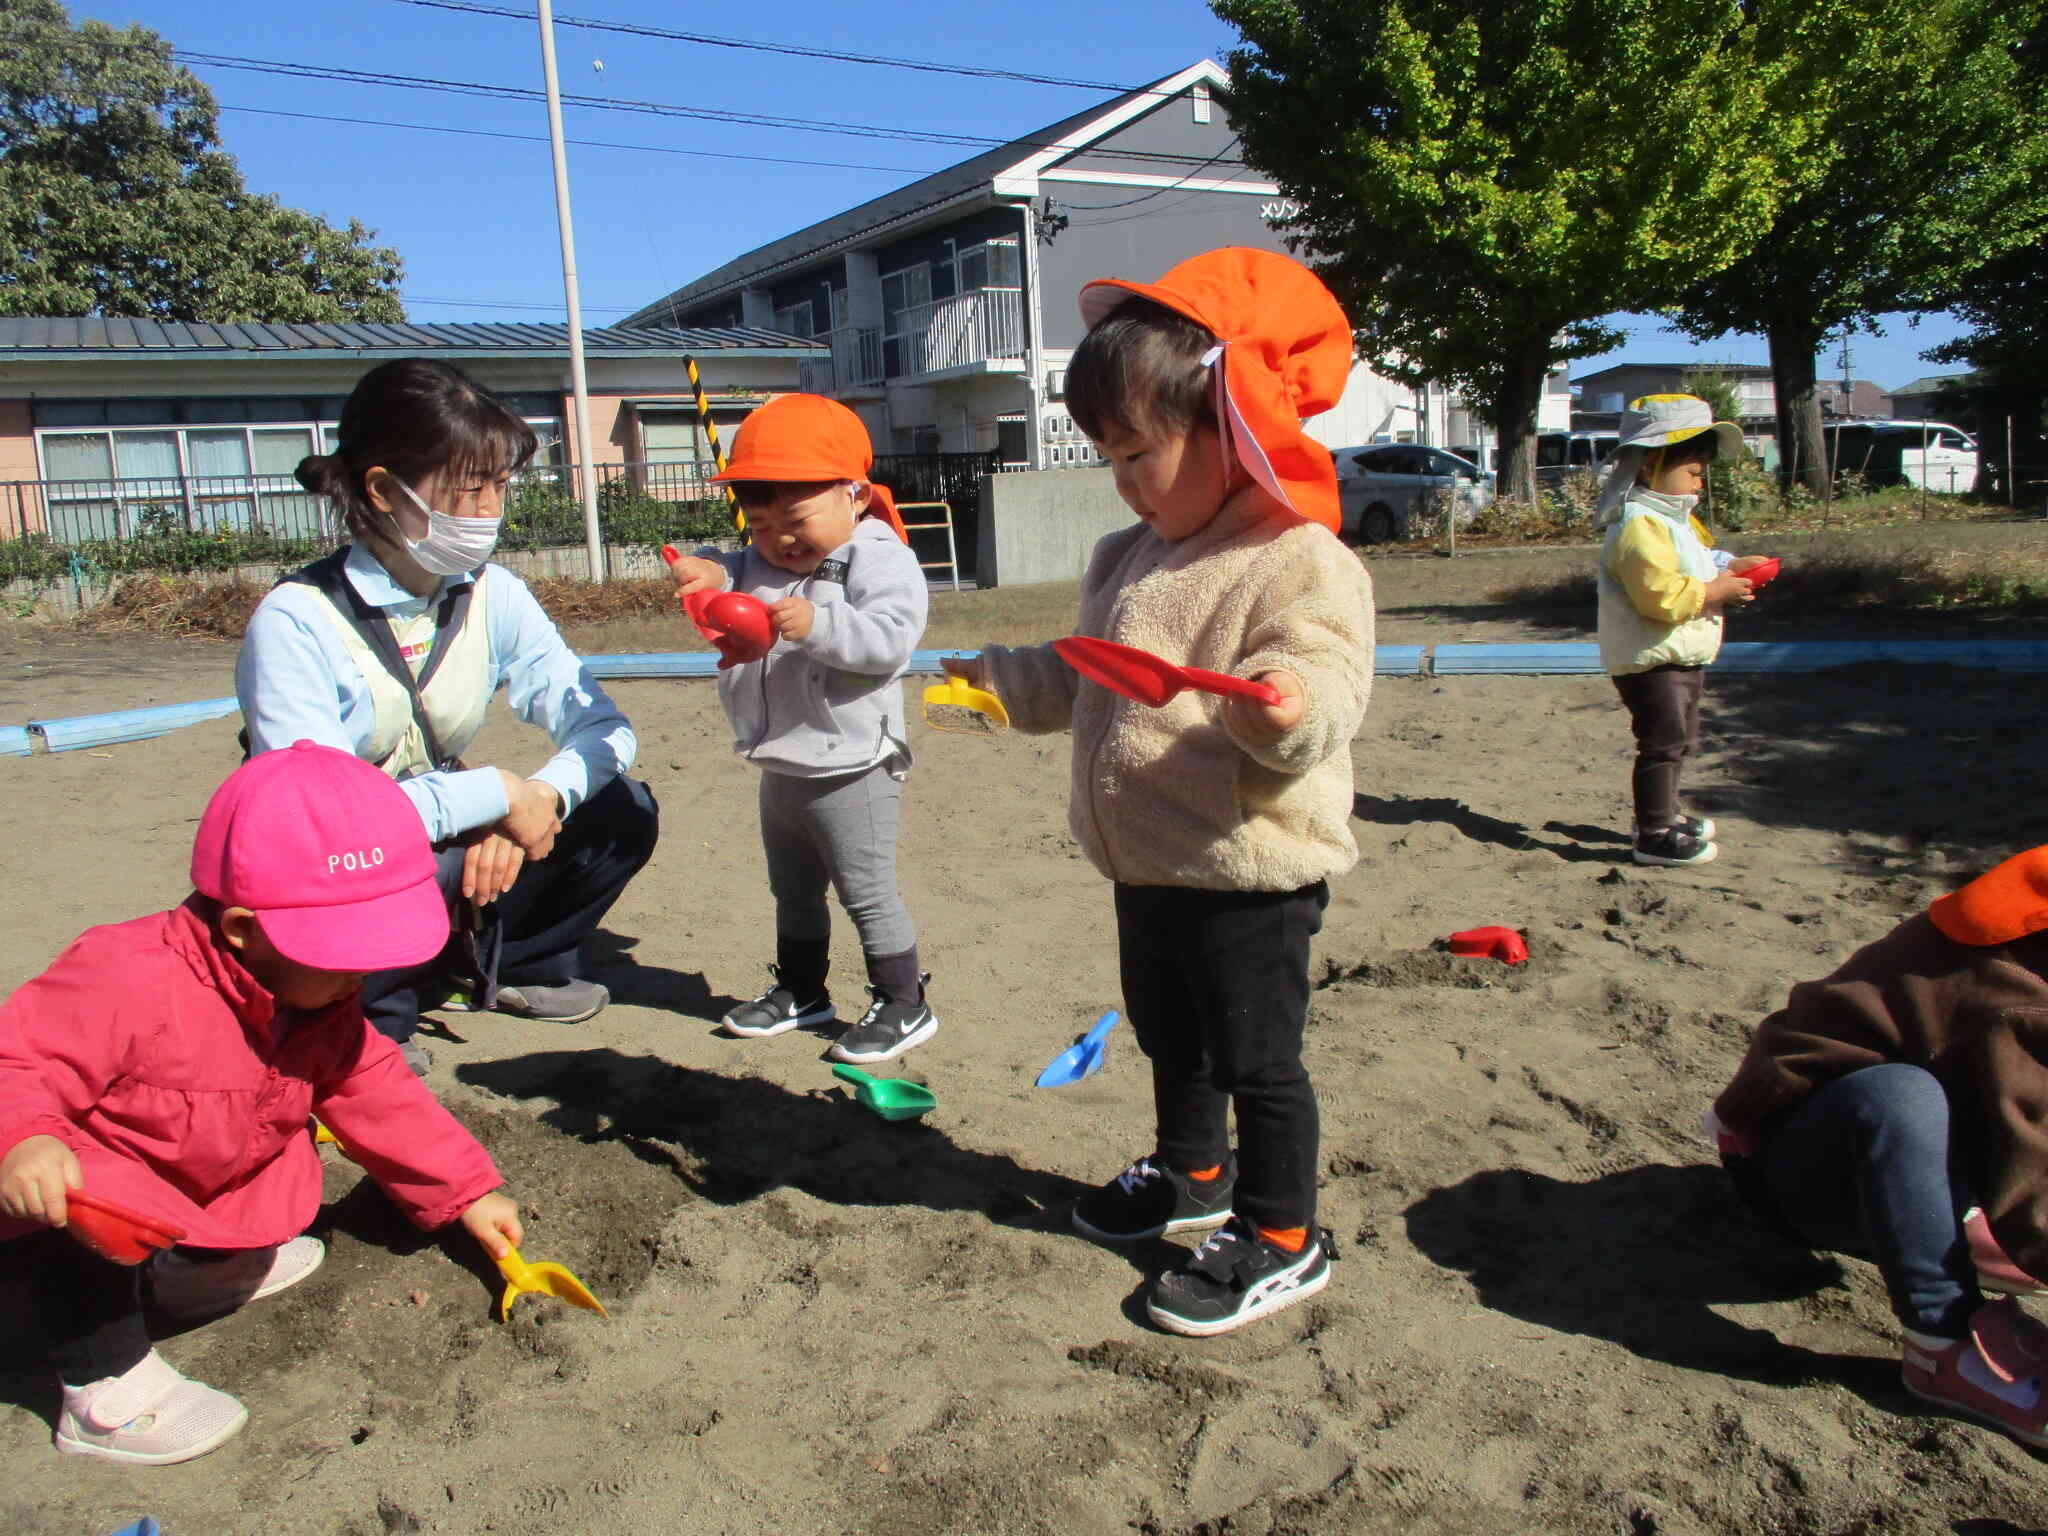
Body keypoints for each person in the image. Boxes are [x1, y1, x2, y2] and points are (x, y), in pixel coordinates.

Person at [941, 248, 1375, 1336]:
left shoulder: (1297, 560)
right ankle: (1193, 1172)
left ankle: (1282, 1235)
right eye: (1107, 456)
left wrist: (1280, 706)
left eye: (1139, 452)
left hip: (1248, 867)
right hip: (1144, 861)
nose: (1124, 479)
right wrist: (1001, 682)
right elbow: (1087, 670)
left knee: (1255, 1056)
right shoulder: (1123, 554)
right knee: (1167, 1035)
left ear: (1232, 427)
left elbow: (1325, 682)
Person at [0, 741, 524, 1465]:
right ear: (244, 930)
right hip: (77, 1230)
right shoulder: (126, 975)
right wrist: (25, 1138)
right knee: (76, 1189)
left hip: (201, 1195)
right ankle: (104, 1385)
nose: (362, 977)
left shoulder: (315, 998)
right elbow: (19, 1056)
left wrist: (467, 1192)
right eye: (345, 956)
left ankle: (203, 1274)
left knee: (283, 1175)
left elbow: (377, 1090)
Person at [237, 359, 659, 1072]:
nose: (492, 507)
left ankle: (508, 961)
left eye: (501, 484)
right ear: (381, 488)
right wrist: (495, 794)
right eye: (470, 488)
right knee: (382, 861)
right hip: (332, 859)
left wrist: (539, 799)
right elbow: (325, 820)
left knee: (621, 809)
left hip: (431, 820)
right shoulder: (295, 620)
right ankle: (367, 1018)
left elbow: (604, 727)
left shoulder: (494, 595)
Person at [1708, 844, 2048, 1449]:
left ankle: (1954, 1221)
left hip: (1917, 1156)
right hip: (1804, 1164)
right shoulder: (2012, 988)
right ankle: (1944, 1345)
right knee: (1901, 1096)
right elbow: (2029, 1157)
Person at [663, 394, 936, 1065]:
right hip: (782, 760)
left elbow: (890, 642)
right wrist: (707, 567)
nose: (779, 540)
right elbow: (730, 568)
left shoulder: (880, 559)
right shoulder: (760, 561)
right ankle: (802, 991)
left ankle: (905, 1002)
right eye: (760, 525)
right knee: (791, 888)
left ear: (855, 496)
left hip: (853, 762)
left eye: (796, 520)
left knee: (865, 890)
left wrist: (819, 626)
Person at [1594, 393, 1774, 868]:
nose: (1700, 477)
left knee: (1681, 739)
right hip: (1652, 659)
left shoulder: (1673, 519)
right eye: (1693, 468)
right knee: (1662, 743)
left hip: (1678, 656)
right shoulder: (1640, 525)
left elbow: (1695, 561)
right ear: (1653, 464)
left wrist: (1731, 566)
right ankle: (1653, 833)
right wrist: (1716, 592)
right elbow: (1659, 594)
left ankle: (1664, 814)